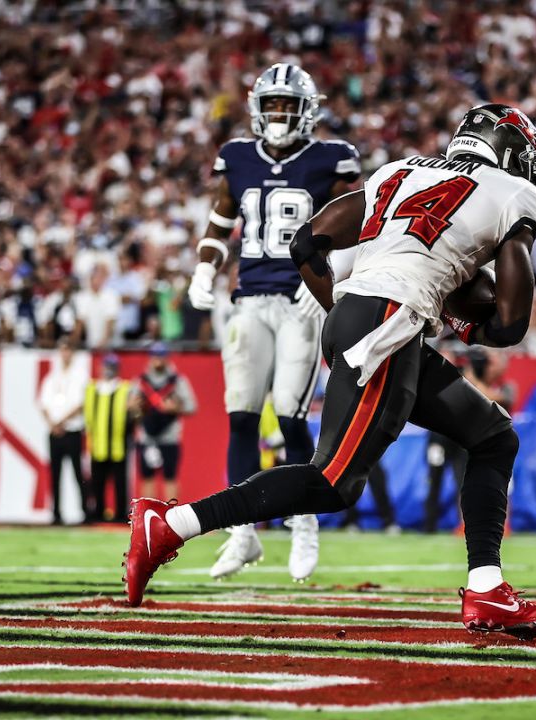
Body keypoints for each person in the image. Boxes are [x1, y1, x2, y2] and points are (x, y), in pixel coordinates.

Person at [125, 103, 536, 639]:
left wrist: (347, 311)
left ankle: (486, 589)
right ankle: (170, 524)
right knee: (331, 482)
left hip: (366, 318)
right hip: (385, 324)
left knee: (492, 435)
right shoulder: (515, 193)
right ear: (513, 154)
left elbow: (307, 242)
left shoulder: (401, 171)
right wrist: (469, 316)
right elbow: (512, 322)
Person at [184, 64, 361, 582]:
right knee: (240, 415)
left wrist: (328, 276)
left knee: (289, 415)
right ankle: (243, 535)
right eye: (273, 104)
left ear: (307, 110)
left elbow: (361, 223)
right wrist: (203, 267)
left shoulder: (331, 158)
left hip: (297, 299)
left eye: (289, 105)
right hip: (249, 300)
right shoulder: (237, 156)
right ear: (258, 107)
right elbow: (221, 220)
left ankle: (304, 526)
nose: (280, 114)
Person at [130, 343, 197, 499]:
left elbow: (192, 406)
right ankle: (147, 516)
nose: (157, 360)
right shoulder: (140, 381)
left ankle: (171, 517)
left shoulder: (177, 381)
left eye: (161, 356)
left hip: (169, 436)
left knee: (170, 477)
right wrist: (133, 406)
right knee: (147, 477)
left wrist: (174, 408)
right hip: (147, 436)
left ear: (167, 358)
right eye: (154, 356)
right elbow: (130, 407)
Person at [37, 338, 89, 525]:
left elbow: (82, 404)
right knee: (55, 474)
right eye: (63, 350)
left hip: (72, 430)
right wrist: (52, 424)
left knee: (78, 472)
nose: (65, 354)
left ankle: (85, 511)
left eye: (68, 350)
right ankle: (56, 513)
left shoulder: (80, 376)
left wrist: (61, 422)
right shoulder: (52, 377)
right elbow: (43, 404)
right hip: (54, 432)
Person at [85, 355, 134, 523]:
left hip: (118, 443)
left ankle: (121, 514)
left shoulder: (124, 388)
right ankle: (98, 513)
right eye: (106, 366)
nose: (108, 370)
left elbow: (133, 412)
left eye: (112, 367)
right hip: (98, 443)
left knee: (120, 483)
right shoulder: (92, 388)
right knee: (97, 482)